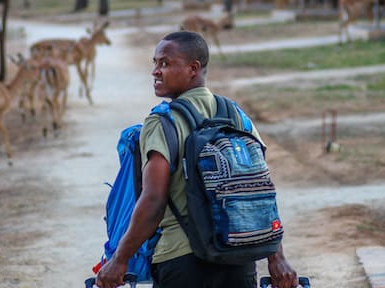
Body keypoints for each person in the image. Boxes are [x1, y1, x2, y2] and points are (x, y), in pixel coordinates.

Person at [96, 31, 298, 288]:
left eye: (165, 63)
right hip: (238, 256)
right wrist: (276, 258)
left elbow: (154, 199)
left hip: (181, 261)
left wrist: (119, 260)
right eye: (155, 63)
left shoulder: (162, 122)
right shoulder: (235, 114)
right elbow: (256, 188)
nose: (156, 71)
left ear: (193, 68)